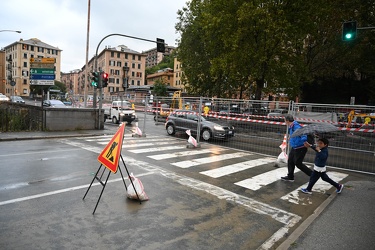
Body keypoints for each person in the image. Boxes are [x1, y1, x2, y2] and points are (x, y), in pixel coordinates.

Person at [281, 114, 312, 182]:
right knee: (290, 161)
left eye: (284, 120)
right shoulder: (292, 126)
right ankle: (290, 177)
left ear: (287, 120)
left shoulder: (296, 126)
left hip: (300, 147)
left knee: (298, 163)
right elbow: (295, 134)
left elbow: (303, 133)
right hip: (295, 147)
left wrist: (304, 141)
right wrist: (290, 137)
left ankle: (312, 175)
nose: (284, 121)